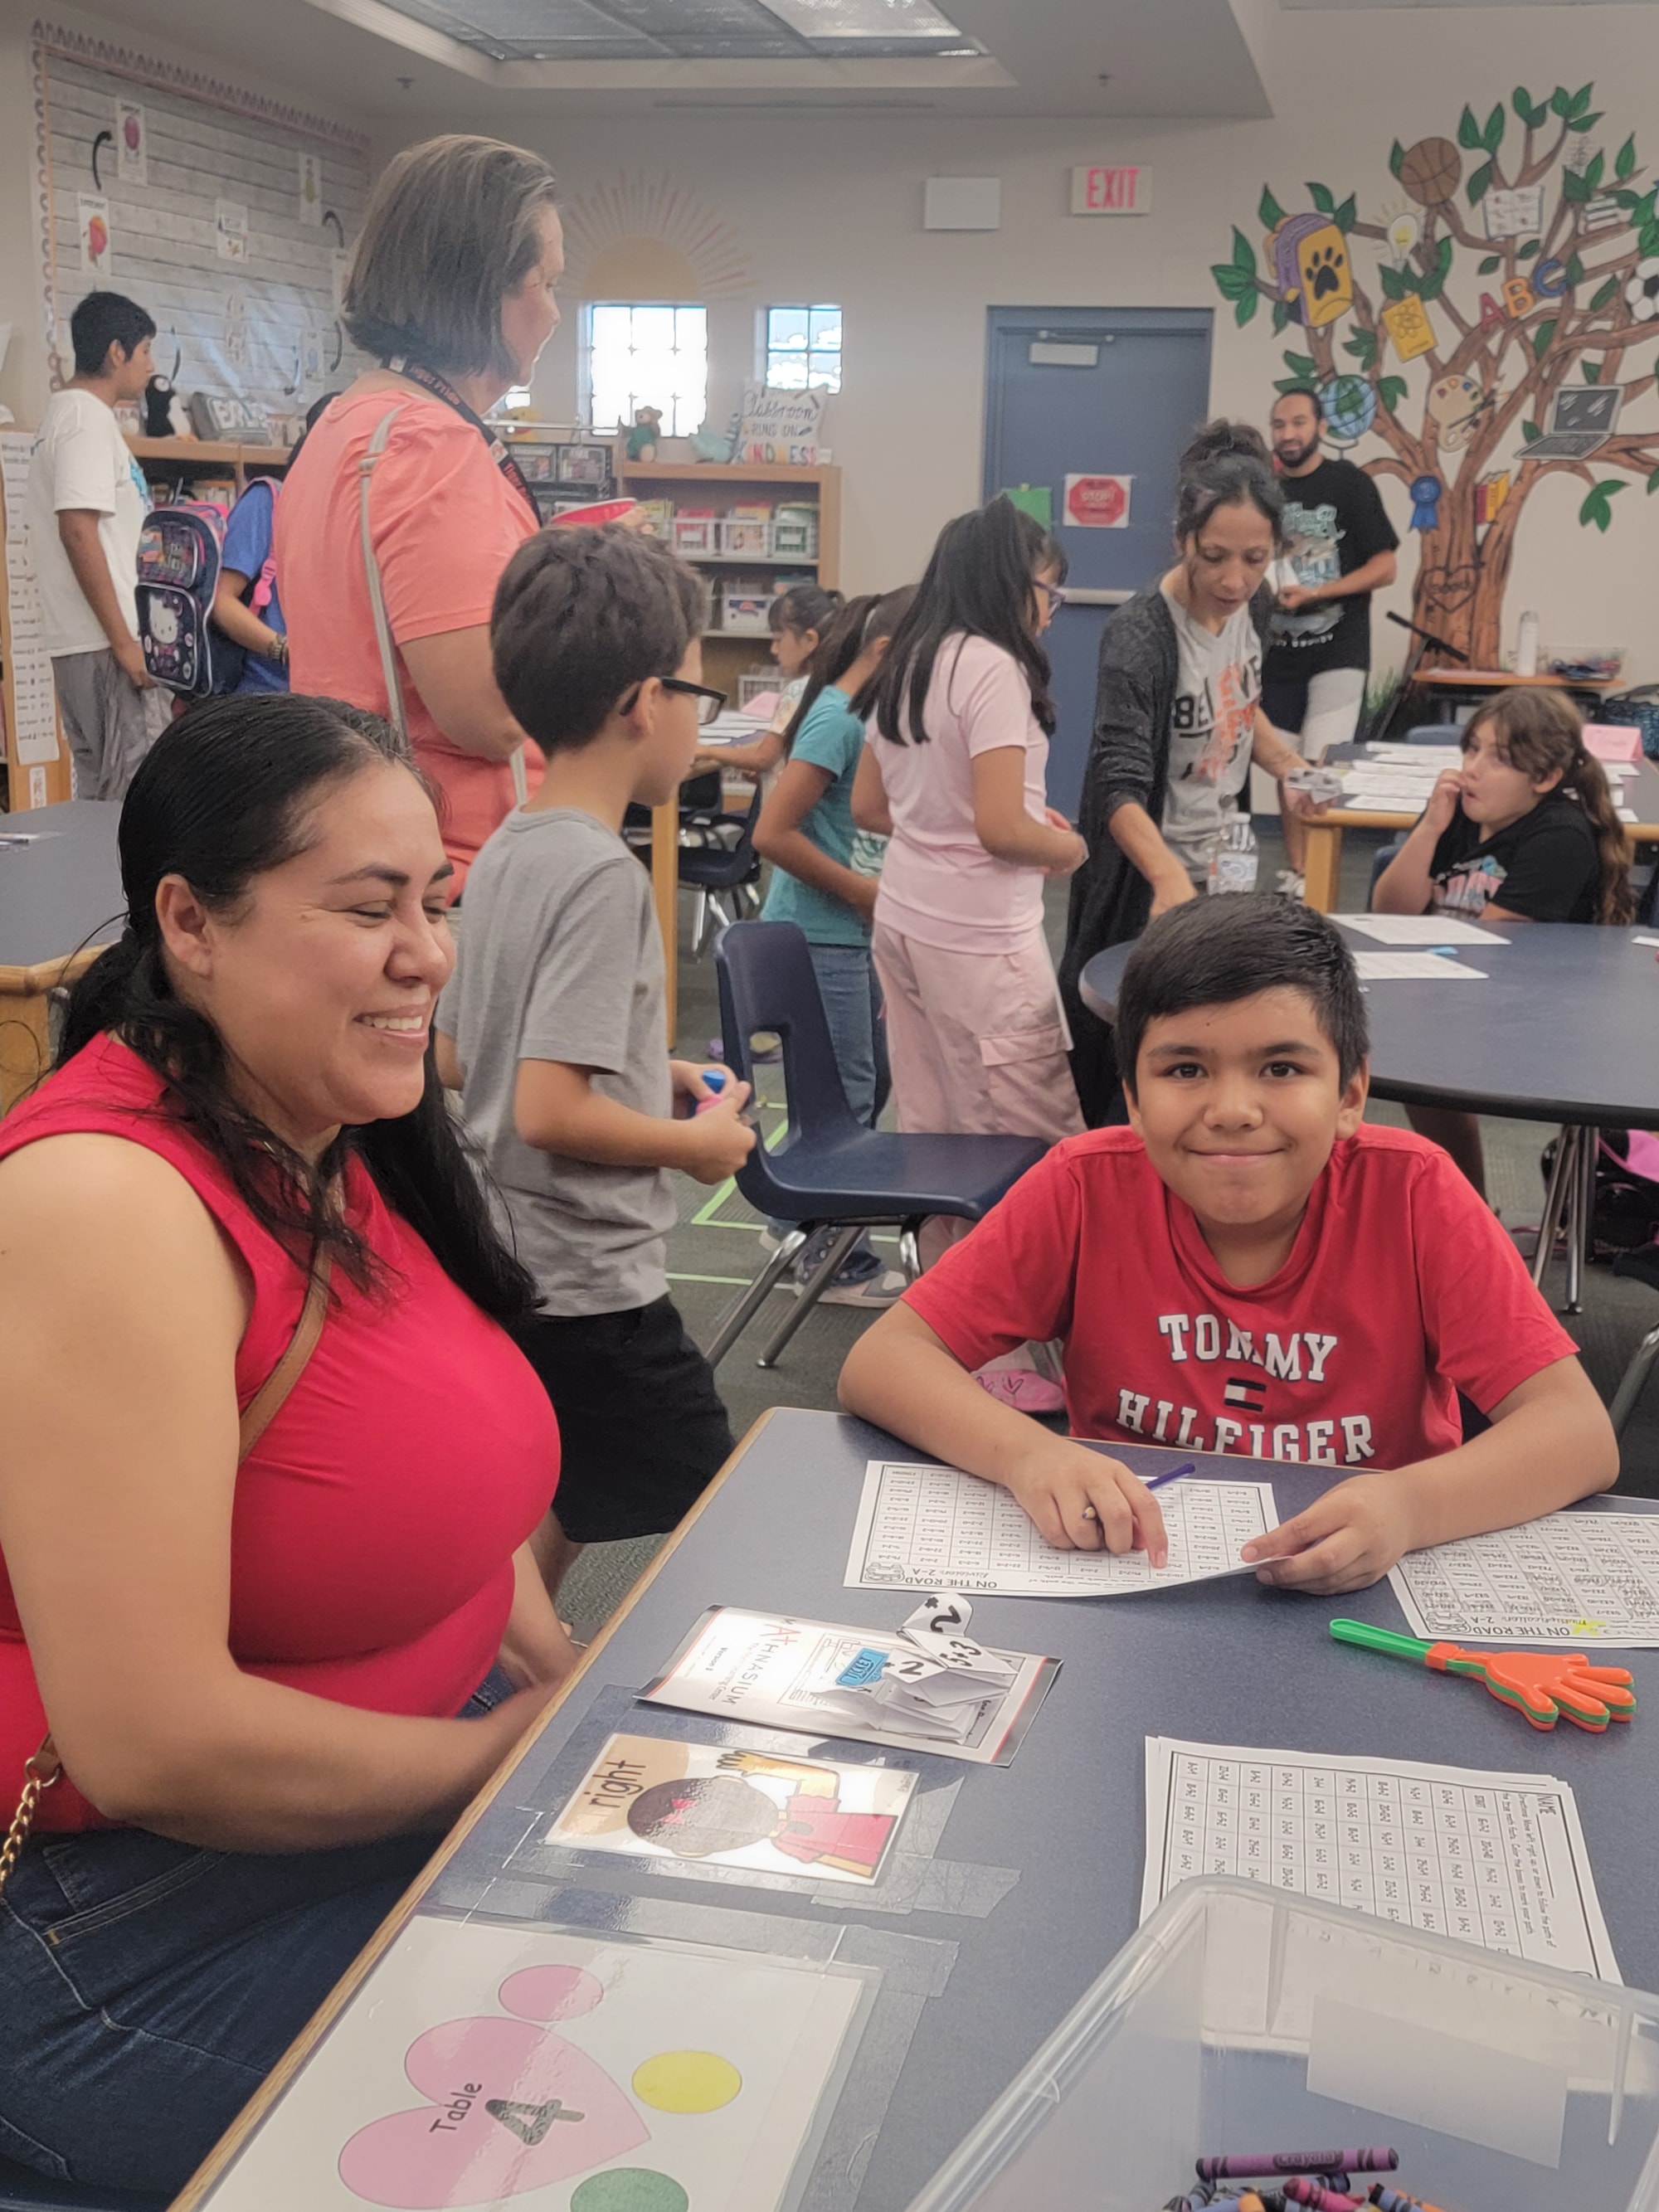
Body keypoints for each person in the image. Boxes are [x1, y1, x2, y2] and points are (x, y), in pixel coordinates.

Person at [0, 698, 577, 2196]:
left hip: (356, 1818)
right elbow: (153, 1741)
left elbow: (430, 1466)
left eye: (436, 902)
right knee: (617, 2101)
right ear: (189, 921)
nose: (427, 954)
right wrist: (492, 1765)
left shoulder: (321, 1123)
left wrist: (554, 1675)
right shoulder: (108, 1207)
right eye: (368, 907)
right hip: (117, 1931)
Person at [839, 894, 1618, 1594]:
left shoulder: (1414, 1192)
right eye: (1186, 1068)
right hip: (1132, 1573)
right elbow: (883, 1361)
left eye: (1281, 1067)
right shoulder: (1083, 1188)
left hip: (1370, 1581)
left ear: (1350, 1095)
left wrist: (1409, 1507)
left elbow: (1578, 1434)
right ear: (1135, 1102)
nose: (1234, 1109)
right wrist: (1029, 1454)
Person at [435, 527, 755, 1604]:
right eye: (697, 690)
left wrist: (639, 1068)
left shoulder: (515, 846)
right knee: (724, 1502)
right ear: (641, 703)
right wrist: (697, 1144)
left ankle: (496, 1658)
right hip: (588, 1282)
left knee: (567, 1482)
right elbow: (547, 1106)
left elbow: (467, 1049)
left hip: (514, 1257)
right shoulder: (602, 878)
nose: (698, 722)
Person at [275, 134, 564, 892]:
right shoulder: (435, 443)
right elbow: (487, 713)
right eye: (544, 282)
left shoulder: (347, 424)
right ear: (480, 290)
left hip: (362, 841)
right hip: (454, 871)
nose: (554, 313)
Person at [851, 496, 1085, 1411]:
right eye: (1048, 592)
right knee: (1036, 1147)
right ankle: (1038, 1350)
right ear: (1010, 582)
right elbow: (999, 827)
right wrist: (1062, 845)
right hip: (980, 941)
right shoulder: (990, 667)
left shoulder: (910, 657)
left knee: (941, 1135)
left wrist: (969, 825)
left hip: (907, 920)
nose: (1049, 609)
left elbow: (874, 809)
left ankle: (958, 1337)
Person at [1058, 421, 1321, 1129]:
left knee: (1217, 1053)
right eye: (1215, 557)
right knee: (1138, 1066)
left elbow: (1239, 704)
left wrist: (1291, 765)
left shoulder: (1253, 607)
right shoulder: (1140, 633)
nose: (1235, 579)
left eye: (1255, 559)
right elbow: (1117, 782)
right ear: (1182, 540)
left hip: (1223, 869)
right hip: (1146, 880)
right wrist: (1167, 877)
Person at [1373, 687, 1634, 1196]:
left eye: (1497, 759)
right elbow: (1390, 909)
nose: (1471, 768)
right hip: (1462, 985)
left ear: (1546, 778)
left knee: (1425, 1062)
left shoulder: (1559, 836)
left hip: (1539, 1012)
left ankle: (1465, 1216)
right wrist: (1429, 828)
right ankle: (1461, 1211)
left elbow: (1492, 941)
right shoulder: (1461, 815)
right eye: (1471, 750)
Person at [752, 586, 916, 1310]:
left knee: (866, 1082)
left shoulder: (863, 720)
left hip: (849, 934)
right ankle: (832, 1261)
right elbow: (772, 833)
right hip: (823, 939)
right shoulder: (837, 721)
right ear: (884, 654)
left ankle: (793, 1220)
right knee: (846, 1099)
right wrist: (864, 892)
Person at [25, 289, 171, 800]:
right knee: (134, 799)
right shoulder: (86, 419)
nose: (151, 366)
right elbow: (78, 529)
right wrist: (125, 642)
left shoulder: (65, 417)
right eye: (146, 350)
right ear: (116, 352)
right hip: (107, 644)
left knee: (102, 798)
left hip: (85, 645)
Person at [1262, 385, 1399, 896]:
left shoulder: (1350, 484)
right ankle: (1296, 872)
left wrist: (1319, 591)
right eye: (1279, 425)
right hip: (1277, 651)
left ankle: (1315, 877)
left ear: (1320, 427)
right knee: (1286, 764)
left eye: (1298, 423)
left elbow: (1385, 568)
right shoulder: (1263, 490)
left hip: (1339, 649)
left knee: (1320, 763)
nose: (1287, 434)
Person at [210, 393, 337, 693]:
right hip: (265, 693)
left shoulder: (355, 512)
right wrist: (283, 649)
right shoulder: (268, 501)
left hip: (329, 693)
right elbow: (222, 601)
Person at [708, 581, 845, 780]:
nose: (773, 649)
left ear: (809, 641)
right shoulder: (837, 687)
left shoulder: (798, 692)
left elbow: (763, 758)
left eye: (779, 639)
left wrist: (705, 751)